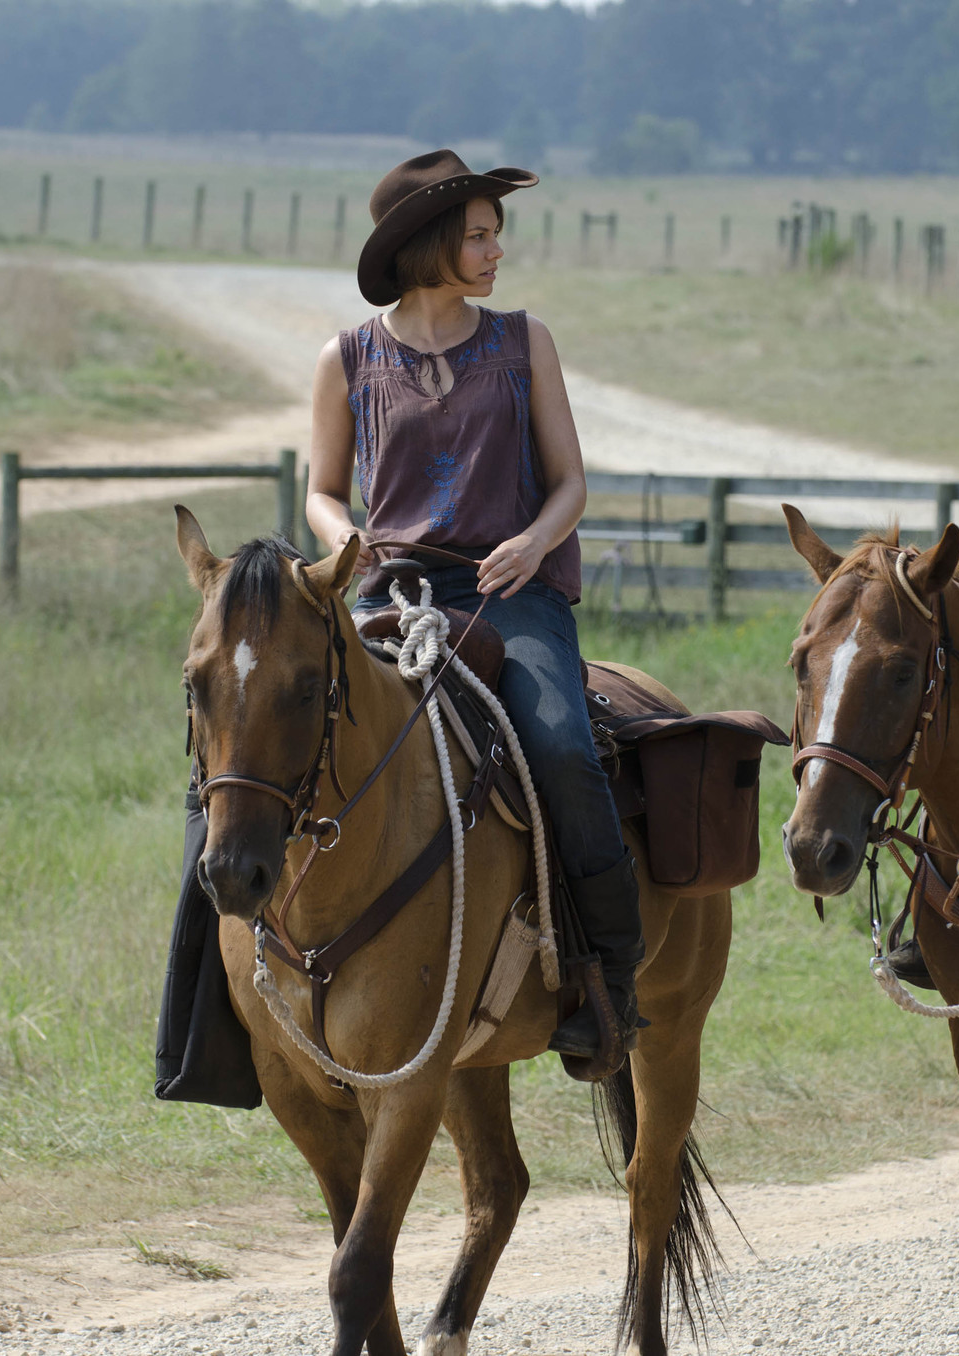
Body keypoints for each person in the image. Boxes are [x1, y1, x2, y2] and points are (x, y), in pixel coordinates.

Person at [303, 149, 640, 1059]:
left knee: (565, 747)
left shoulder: (525, 342)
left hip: (512, 596)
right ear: (429, 245)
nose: (497, 251)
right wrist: (342, 539)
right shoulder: (347, 358)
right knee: (269, 735)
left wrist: (534, 540)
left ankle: (610, 978)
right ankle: (232, 990)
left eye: (497, 235)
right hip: (389, 592)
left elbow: (571, 483)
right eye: (479, 236)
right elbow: (322, 491)